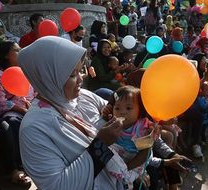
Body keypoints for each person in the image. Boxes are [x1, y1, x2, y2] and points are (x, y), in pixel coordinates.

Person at [18, 36, 149, 189]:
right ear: (48, 76)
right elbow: (57, 186)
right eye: (72, 75)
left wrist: (138, 166)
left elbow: (132, 127)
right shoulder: (34, 129)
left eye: (80, 70)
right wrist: (101, 145)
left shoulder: (84, 96)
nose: (81, 79)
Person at [0, 41, 33, 186]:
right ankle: (18, 167)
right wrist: (20, 109)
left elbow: (31, 92)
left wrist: (32, 104)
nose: (20, 53)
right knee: (13, 123)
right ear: (6, 55)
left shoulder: (23, 71)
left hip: (29, 109)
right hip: (10, 112)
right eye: (16, 50)